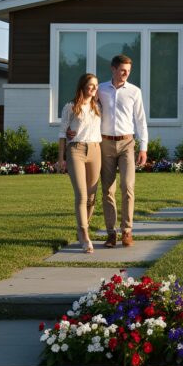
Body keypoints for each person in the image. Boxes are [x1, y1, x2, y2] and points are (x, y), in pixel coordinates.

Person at [97, 54, 148, 248]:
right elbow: (87, 110)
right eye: (122, 70)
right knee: (107, 190)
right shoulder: (100, 89)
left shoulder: (134, 91)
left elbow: (141, 121)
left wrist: (143, 147)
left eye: (128, 71)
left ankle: (127, 231)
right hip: (105, 144)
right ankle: (111, 233)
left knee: (127, 187)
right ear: (113, 69)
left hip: (127, 143)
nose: (126, 73)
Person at [57, 73, 102, 254]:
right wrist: (61, 158)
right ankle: (84, 235)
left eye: (96, 86)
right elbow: (62, 133)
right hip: (76, 150)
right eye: (91, 85)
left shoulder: (98, 106)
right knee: (82, 196)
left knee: (92, 197)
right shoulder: (71, 107)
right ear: (83, 86)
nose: (94, 88)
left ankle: (83, 227)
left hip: (95, 150)